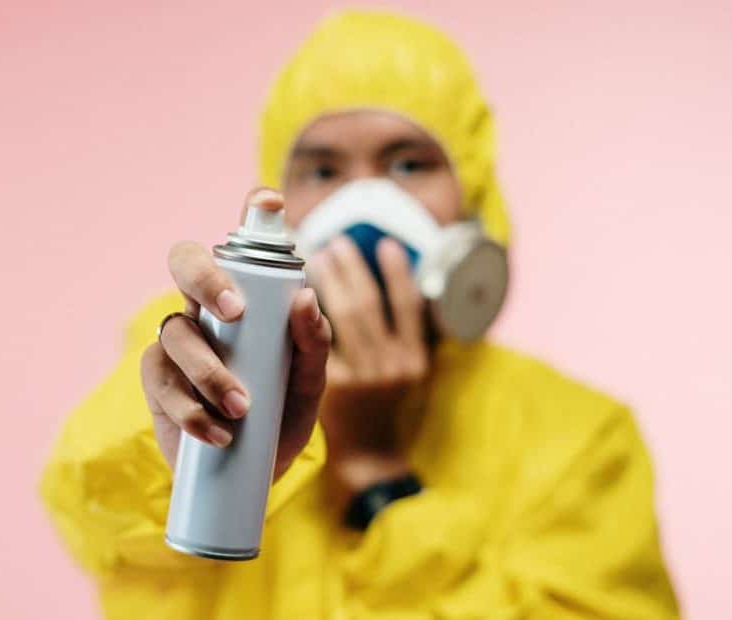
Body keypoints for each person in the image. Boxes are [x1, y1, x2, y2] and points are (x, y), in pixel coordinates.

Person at [41, 9, 679, 619]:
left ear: (474, 195)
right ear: (281, 203)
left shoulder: (580, 438)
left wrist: (377, 473)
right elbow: (94, 516)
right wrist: (194, 451)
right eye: (322, 169)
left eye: (408, 164)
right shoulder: (195, 351)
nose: (365, 204)